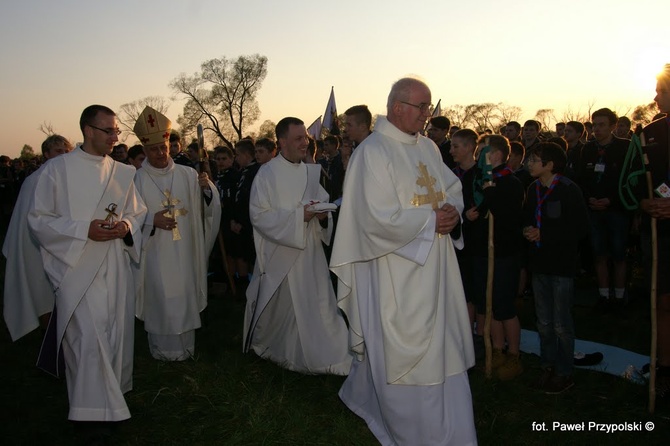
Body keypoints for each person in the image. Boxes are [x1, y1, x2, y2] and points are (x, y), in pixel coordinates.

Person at [330, 77, 476, 445]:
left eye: (427, 107)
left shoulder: (428, 147)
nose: (428, 114)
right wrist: (430, 221)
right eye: (422, 107)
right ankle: (410, 431)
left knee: (441, 347)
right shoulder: (372, 152)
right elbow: (371, 217)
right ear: (398, 108)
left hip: (436, 270)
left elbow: (452, 189)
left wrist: (452, 212)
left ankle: (452, 429)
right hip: (394, 269)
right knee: (402, 351)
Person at [28, 105, 147, 425]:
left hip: (116, 265)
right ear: (88, 131)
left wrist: (126, 228)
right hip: (76, 269)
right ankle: (90, 412)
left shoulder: (122, 173)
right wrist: (83, 231)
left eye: (116, 131)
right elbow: (38, 221)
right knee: (87, 338)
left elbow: (137, 212)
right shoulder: (57, 170)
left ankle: (113, 396)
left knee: (115, 332)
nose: (114, 137)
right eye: (108, 130)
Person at [242, 117, 351, 375]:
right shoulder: (267, 174)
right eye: (299, 138)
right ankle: (280, 350)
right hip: (281, 255)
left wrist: (324, 217)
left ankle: (329, 354)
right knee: (283, 311)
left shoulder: (308, 171)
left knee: (318, 306)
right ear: (282, 142)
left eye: (305, 137)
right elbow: (258, 216)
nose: (306, 143)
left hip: (310, 254)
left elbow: (322, 204)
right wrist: (297, 218)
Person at [132, 106, 221, 361]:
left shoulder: (188, 174)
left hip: (184, 251)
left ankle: (186, 349)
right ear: (144, 151)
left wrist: (207, 190)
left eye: (164, 147)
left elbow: (208, 207)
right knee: (161, 296)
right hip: (155, 252)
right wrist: (151, 219)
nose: (160, 153)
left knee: (183, 292)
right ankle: (161, 350)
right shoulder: (137, 180)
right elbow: (130, 218)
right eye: (153, 149)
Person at [523, 142, 589, 393]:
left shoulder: (568, 190)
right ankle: (547, 366)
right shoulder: (532, 189)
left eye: (535, 159)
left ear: (550, 165)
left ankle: (564, 372)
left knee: (561, 324)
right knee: (544, 322)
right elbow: (526, 217)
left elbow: (580, 228)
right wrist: (526, 229)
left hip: (561, 265)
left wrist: (545, 234)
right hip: (539, 264)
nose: (529, 163)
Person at [3, 134, 72, 341]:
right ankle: (48, 336)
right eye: (58, 151)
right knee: (42, 291)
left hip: (65, 244)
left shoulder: (71, 178)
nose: (63, 155)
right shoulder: (35, 180)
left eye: (67, 151)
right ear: (46, 154)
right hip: (35, 246)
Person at [469, 135, 525, 380]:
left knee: (503, 305)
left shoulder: (509, 182)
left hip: (503, 252)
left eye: (484, 152)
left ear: (498, 155)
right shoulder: (483, 181)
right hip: (483, 250)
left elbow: (506, 213)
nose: (480, 157)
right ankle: (497, 350)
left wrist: (490, 195)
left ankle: (513, 355)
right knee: (488, 304)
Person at [574, 108, 630, 307]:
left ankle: (620, 296)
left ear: (613, 126)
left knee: (619, 253)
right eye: (595, 125)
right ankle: (604, 295)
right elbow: (582, 179)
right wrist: (590, 199)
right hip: (594, 209)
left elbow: (628, 180)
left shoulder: (625, 147)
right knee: (599, 253)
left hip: (617, 209)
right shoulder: (587, 149)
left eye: (602, 125)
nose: (597, 129)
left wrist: (611, 200)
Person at [638, 63, 670, 398]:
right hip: (662, 233)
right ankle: (664, 365)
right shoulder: (651, 133)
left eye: (661, 91)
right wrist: (644, 204)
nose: (655, 97)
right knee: (662, 300)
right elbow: (634, 182)